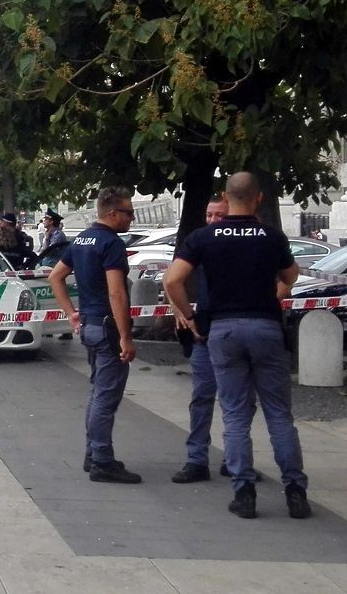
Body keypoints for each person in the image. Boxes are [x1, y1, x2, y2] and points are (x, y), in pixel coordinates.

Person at [164, 171, 310, 519]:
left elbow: (173, 280)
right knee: (279, 414)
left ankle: (244, 493)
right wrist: (272, 296)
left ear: (226, 199)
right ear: (258, 198)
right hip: (265, 327)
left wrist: (190, 316)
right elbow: (292, 276)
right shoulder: (270, 237)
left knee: (233, 413)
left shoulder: (205, 237)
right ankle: (295, 493)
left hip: (224, 330)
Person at [47, 186, 141, 484]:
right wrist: (126, 337)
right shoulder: (111, 243)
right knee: (106, 395)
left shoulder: (82, 239)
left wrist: (70, 312)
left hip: (89, 324)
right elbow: (116, 292)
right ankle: (101, 459)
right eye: (128, 212)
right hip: (107, 326)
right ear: (112, 213)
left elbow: (55, 276)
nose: (132, 218)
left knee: (98, 391)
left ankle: (93, 454)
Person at [170, 196, 228, 484]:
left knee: (235, 400)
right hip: (205, 327)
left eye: (220, 215)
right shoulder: (200, 240)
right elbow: (171, 279)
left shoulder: (243, 243)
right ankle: (197, 460)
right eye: (209, 215)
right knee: (202, 396)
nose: (214, 221)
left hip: (230, 327)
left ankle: (235, 458)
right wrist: (181, 310)